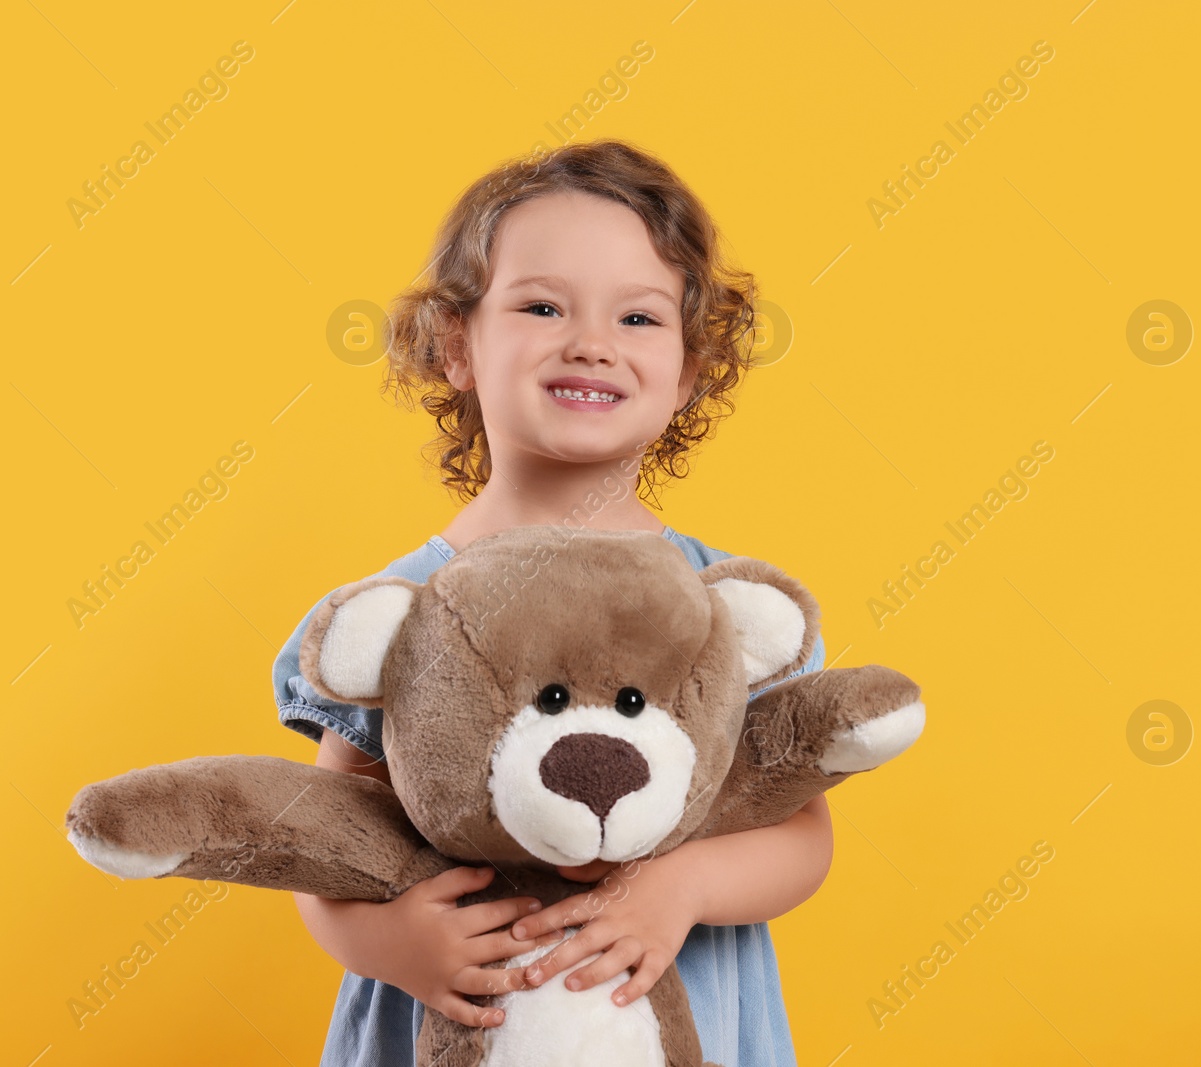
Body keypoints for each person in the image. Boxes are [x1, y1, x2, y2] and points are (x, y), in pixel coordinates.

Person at [271, 138, 832, 1066]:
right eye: (541, 306)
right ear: (458, 345)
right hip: (462, 1027)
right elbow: (323, 836)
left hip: (683, 1010)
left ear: (690, 371)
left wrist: (684, 886)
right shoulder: (405, 607)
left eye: (640, 319)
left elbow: (804, 832)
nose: (592, 343)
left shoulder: (720, 606)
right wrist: (395, 946)